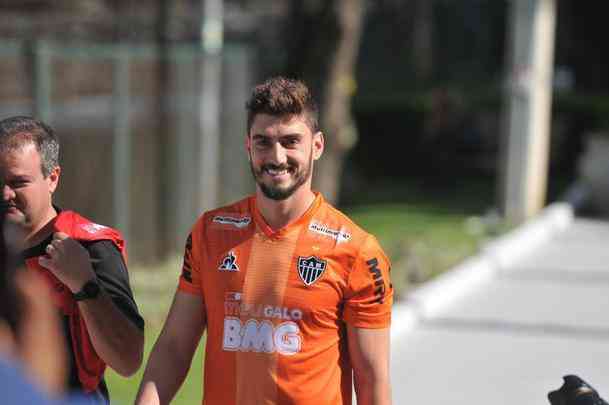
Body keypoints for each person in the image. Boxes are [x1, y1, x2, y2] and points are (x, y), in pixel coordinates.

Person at [136, 77, 393, 405]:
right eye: (263, 142)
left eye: (290, 141)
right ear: (248, 146)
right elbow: (174, 347)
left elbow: (372, 379)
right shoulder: (210, 232)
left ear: (317, 146)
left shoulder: (357, 251)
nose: (277, 156)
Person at [0, 116, 145, 404]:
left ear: (52, 178)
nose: (5, 194)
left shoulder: (91, 248)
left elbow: (128, 362)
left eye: (18, 182)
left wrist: (84, 285)